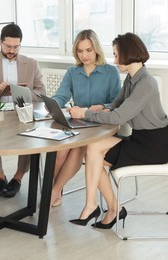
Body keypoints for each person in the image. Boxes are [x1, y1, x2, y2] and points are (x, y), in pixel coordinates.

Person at [68, 32, 168, 228]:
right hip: (141, 139)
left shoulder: (146, 84)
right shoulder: (133, 79)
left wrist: (85, 113)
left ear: (128, 54)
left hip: (153, 147)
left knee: (93, 154)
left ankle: (106, 208)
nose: (114, 60)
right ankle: (103, 207)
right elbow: (118, 102)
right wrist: (104, 108)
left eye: (117, 55)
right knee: (92, 150)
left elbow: (118, 117)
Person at [0, 24, 46, 199]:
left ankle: (18, 178)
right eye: (8, 46)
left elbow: (42, 93)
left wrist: (23, 93)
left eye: (16, 47)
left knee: (32, 139)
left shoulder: (31, 64)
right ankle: (0, 177)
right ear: (0, 42)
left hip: (22, 114)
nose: (12, 50)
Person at [50, 29, 121, 207]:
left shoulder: (110, 72)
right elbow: (61, 97)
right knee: (60, 151)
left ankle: (53, 191)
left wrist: (104, 106)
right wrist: (50, 104)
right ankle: (53, 189)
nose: (84, 55)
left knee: (76, 150)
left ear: (96, 48)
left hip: (102, 125)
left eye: (88, 50)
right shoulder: (73, 72)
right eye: (80, 51)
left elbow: (117, 101)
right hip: (79, 123)